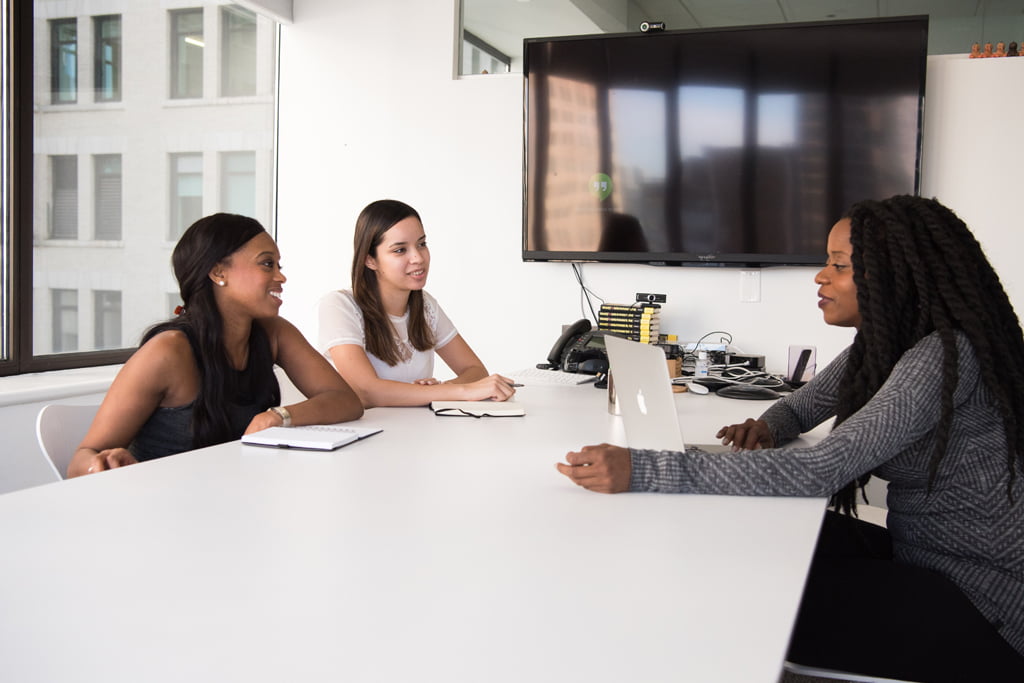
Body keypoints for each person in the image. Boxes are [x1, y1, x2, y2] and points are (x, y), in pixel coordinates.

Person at [556, 196, 1024, 681]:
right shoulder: (885, 348)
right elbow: (801, 406)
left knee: (740, 594)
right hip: (924, 558)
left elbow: (821, 469)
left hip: (983, 603)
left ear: (895, 275)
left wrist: (645, 468)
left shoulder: (942, 356)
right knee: (753, 537)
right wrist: (770, 427)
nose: (820, 276)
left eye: (838, 265)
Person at [67, 214, 363, 477]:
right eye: (266, 264)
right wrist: (101, 464)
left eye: (278, 265)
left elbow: (345, 400)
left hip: (233, 499)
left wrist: (278, 416)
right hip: (165, 510)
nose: (280, 276)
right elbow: (80, 461)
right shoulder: (168, 352)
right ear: (218, 272)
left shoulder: (274, 333)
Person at [318, 199, 515, 407]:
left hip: (416, 432)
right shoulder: (339, 306)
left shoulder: (425, 305)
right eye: (400, 250)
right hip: (365, 435)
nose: (418, 258)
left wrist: (435, 391)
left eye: (421, 244)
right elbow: (367, 391)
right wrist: (450, 391)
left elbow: (475, 371)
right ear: (370, 260)